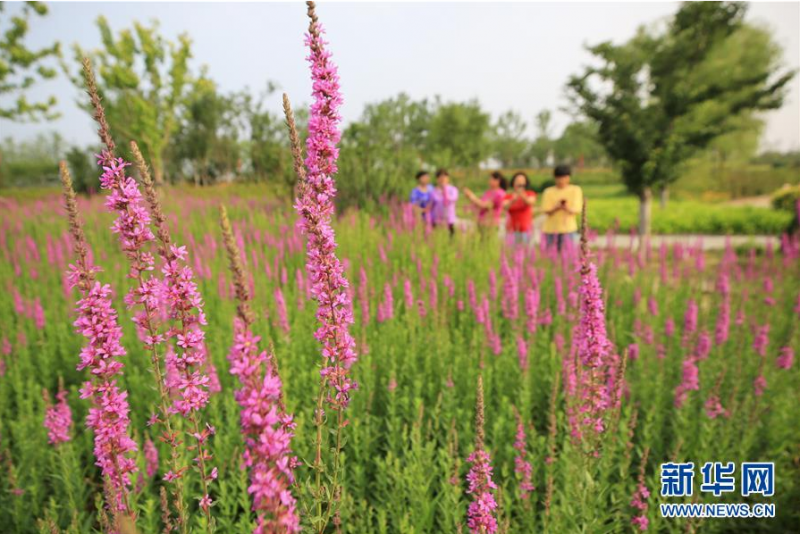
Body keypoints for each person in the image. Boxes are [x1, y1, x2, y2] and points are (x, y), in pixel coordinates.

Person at [542, 164, 583, 251]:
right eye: (559, 177)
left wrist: (565, 207)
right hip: (550, 229)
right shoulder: (548, 191)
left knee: (568, 256)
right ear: (555, 178)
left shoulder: (575, 190)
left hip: (568, 229)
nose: (561, 180)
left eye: (564, 177)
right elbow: (546, 211)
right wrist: (556, 207)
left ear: (569, 177)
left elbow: (577, 210)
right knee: (550, 256)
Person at [502, 172, 537, 245]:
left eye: (522, 181)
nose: (520, 183)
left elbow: (530, 202)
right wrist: (512, 200)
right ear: (513, 183)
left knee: (526, 253)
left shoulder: (530, 193)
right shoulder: (508, 196)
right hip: (511, 231)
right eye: (517, 180)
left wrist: (522, 195)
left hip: (526, 230)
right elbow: (504, 206)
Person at [430, 169, 459, 236]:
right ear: (437, 179)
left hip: (449, 219)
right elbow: (431, 205)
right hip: (437, 220)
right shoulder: (434, 191)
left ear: (448, 178)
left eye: (445, 177)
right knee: (437, 238)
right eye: (440, 177)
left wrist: (445, 191)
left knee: (450, 238)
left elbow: (453, 198)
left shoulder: (453, 189)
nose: (442, 179)